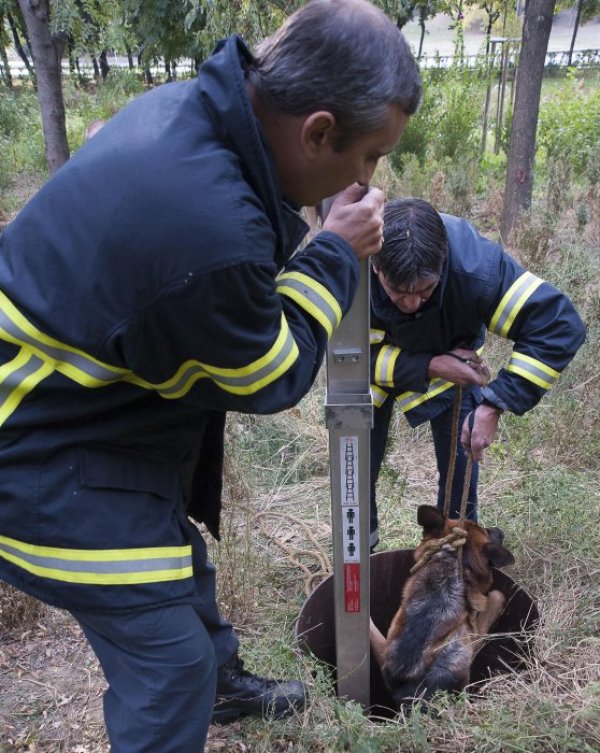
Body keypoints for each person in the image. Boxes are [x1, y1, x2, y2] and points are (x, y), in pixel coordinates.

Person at [0, 1, 421, 751]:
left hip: (79, 410)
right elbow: (270, 374)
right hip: (36, 458)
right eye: (369, 156)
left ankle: (220, 686)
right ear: (317, 130)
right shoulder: (206, 231)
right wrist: (332, 252)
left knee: (176, 561)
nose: (367, 177)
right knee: (168, 666)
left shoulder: (193, 111)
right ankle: (197, 684)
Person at [369, 198, 586, 550]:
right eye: (397, 293)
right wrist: (428, 364)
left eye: (425, 291)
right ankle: (359, 560)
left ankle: (452, 556)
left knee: (460, 481)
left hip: (452, 375)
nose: (411, 304)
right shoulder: (351, 262)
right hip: (367, 376)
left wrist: (493, 404)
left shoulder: (476, 270)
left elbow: (558, 326)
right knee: (355, 477)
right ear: (376, 267)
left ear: (443, 264)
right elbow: (338, 355)